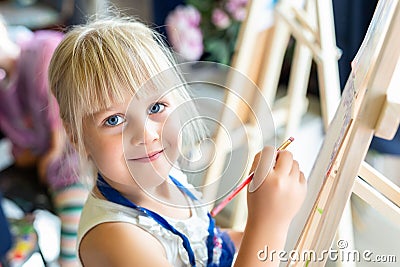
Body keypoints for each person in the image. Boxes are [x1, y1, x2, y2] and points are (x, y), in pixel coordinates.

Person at [48, 15, 307, 267]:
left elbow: (203, 245)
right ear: (76, 136)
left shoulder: (166, 176)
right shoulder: (117, 238)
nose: (146, 134)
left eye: (156, 107)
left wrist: (249, 236)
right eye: (114, 120)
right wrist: (269, 226)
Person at [0, 17, 88, 266]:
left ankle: (69, 258)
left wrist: (52, 150)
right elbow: (21, 145)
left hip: (78, 148)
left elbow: (62, 105)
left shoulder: (42, 48)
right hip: (53, 164)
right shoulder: (4, 92)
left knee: (74, 184)